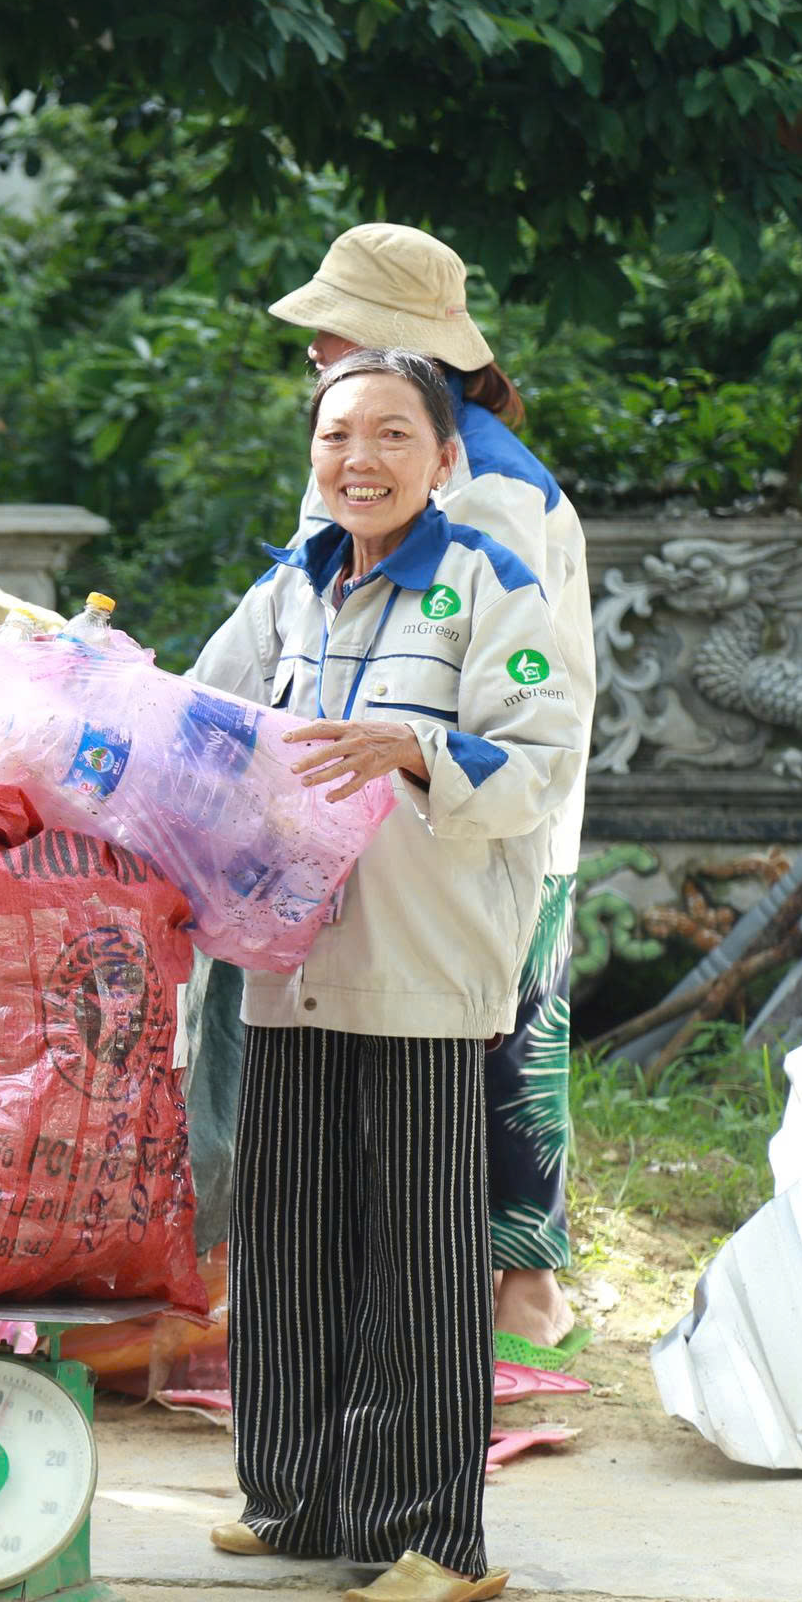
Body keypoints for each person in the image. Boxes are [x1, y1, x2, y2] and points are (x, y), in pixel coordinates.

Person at [190, 349, 583, 1602]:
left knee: (416, 1252)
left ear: (443, 456)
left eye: (390, 435)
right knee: (289, 1234)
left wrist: (413, 747)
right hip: (292, 956)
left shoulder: (489, 584)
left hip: (423, 960)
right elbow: (200, 715)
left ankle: (435, 1538)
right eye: (335, 436)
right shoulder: (288, 592)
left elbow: (538, 761)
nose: (357, 459)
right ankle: (297, 1497)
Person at [269, 224, 596, 1360]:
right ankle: (474, 1292)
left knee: (490, 1043)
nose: (314, 350)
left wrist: (408, 752)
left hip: (466, 813)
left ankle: (508, 1290)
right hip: (384, 816)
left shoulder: (486, 490)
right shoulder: (397, 452)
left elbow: (505, 692)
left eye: (334, 331)